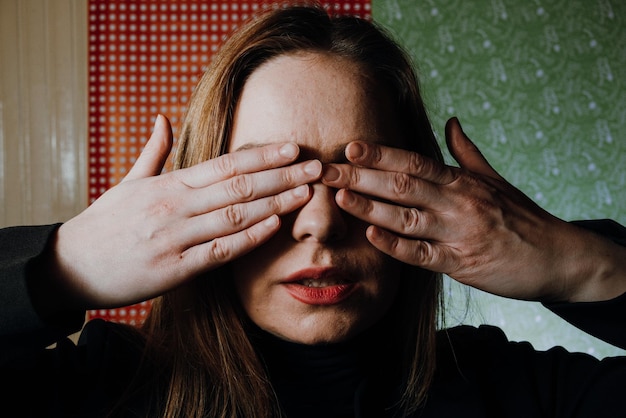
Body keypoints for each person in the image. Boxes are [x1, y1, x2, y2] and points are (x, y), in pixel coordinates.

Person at [1, 5, 625, 418]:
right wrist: (59, 266)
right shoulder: (98, 391)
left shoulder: (514, 393)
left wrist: (585, 266)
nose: (321, 224)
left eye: (364, 178)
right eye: (268, 180)